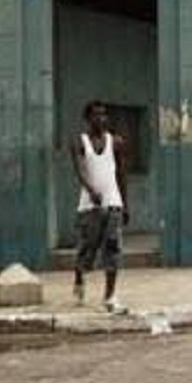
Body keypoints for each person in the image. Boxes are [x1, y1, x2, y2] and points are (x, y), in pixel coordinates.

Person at [71, 100, 130, 314]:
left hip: (112, 202)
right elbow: (80, 170)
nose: (101, 118)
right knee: (88, 249)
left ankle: (110, 296)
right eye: (96, 115)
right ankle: (79, 275)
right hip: (89, 206)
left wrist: (125, 204)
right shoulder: (80, 142)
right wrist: (90, 190)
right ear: (87, 118)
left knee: (113, 248)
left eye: (104, 114)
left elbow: (121, 175)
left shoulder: (116, 142)